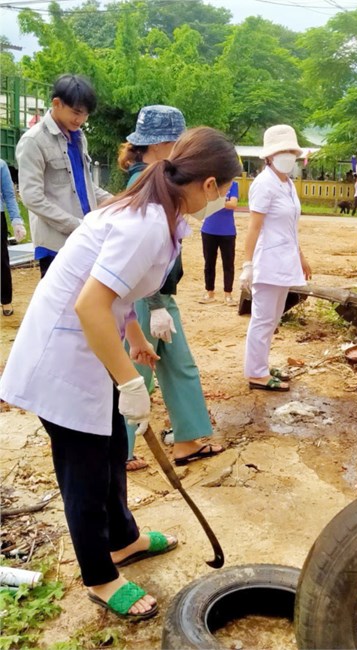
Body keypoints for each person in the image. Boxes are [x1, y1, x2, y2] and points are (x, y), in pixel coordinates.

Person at [0, 127, 241, 620]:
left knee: (111, 447)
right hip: (63, 356)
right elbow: (91, 304)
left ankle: (122, 540)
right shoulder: (146, 222)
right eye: (229, 189)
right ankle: (101, 577)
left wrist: (132, 336)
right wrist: (130, 382)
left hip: (94, 346)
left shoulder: (164, 214)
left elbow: (119, 291)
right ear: (210, 184)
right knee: (84, 470)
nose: (226, 198)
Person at [117, 106, 227, 471]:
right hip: (148, 297)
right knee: (140, 372)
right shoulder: (143, 182)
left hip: (161, 294)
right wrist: (156, 302)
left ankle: (186, 439)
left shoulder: (154, 177)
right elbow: (138, 259)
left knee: (178, 365)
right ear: (163, 144)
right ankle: (121, 447)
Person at [16, 74, 112, 278]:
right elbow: (32, 197)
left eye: (86, 114)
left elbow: (85, 185)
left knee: (84, 304)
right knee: (58, 307)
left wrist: (118, 201)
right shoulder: (34, 141)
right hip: (55, 245)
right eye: (76, 112)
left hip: (85, 238)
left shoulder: (78, 137)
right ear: (56, 103)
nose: (81, 120)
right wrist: (74, 224)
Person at [240, 124, 311, 391]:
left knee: (274, 318)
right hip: (268, 263)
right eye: (282, 151)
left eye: (291, 151)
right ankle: (256, 373)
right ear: (269, 156)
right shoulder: (263, 184)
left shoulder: (288, 183)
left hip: (285, 260)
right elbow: (254, 227)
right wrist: (247, 265)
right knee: (263, 318)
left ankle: (262, 365)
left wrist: (301, 256)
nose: (287, 156)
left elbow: (291, 227)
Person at [199, 179, 239, 306]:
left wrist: (215, 200)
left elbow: (233, 204)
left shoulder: (233, 184)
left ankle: (228, 293)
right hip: (209, 229)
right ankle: (209, 292)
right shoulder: (209, 184)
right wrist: (223, 202)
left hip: (227, 231)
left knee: (228, 264)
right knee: (209, 263)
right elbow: (203, 202)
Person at [1, 159, 27, 316]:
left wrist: (16, 221)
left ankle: (5, 300)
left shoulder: (1, 165)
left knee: (1, 259)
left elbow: (9, 195)